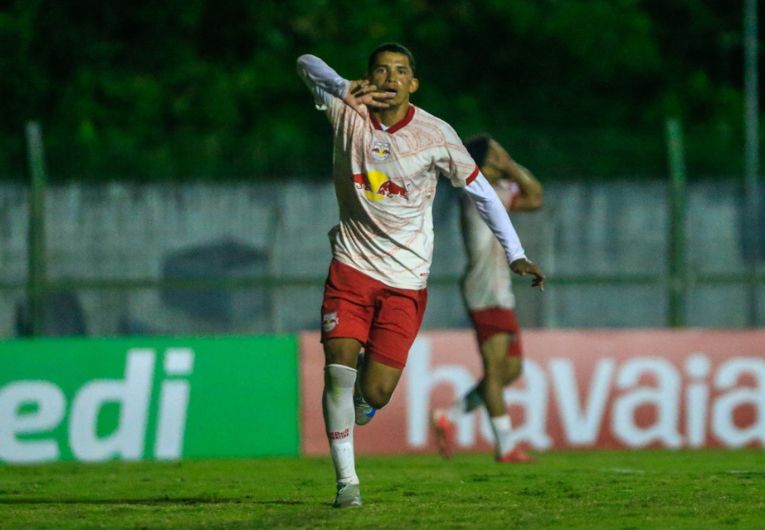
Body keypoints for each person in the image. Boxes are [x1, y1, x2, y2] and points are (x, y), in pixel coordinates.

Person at [296, 43, 545, 508]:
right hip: (350, 267)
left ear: (414, 83)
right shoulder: (348, 109)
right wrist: (341, 85)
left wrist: (516, 254)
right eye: (380, 70)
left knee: (375, 391)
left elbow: (486, 194)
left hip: (406, 281)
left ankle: (365, 403)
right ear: (367, 77)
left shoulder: (436, 135)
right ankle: (347, 482)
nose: (390, 78)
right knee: (338, 369)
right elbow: (305, 62)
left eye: (401, 71)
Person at [431, 134, 543, 463]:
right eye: (496, 153)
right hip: (484, 290)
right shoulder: (477, 194)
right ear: (483, 163)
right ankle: (505, 446)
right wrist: (508, 167)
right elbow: (532, 195)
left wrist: (508, 165)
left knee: (512, 369)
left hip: (500, 291)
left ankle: (448, 416)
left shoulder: (498, 191)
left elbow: (535, 197)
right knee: (495, 371)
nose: (502, 157)